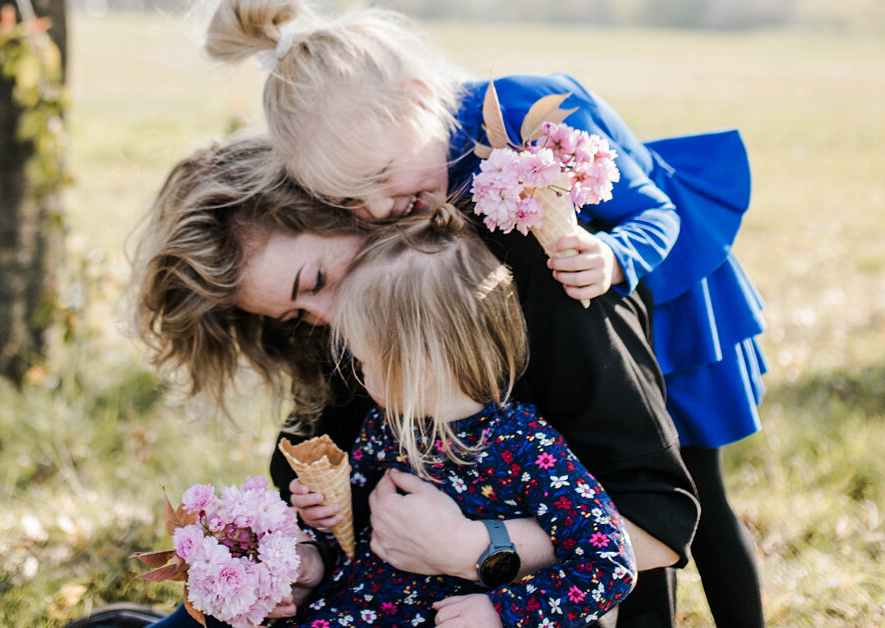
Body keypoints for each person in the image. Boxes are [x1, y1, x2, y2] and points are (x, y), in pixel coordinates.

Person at [204, 2, 766, 625]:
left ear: (418, 99)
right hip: (588, 318)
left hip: (670, 291)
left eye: (380, 178)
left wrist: (608, 255)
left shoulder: (529, 113)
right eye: (348, 199)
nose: (378, 209)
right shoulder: (406, 221)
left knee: (701, 496)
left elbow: (657, 214)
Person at [119, 137, 697, 628]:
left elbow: (658, 525)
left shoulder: (536, 269)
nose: (328, 318)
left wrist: (480, 548)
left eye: (317, 278)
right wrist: (302, 564)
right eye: (296, 315)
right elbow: (327, 516)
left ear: (356, 206)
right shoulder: (356, 360)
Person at [277, 205, 636, 627]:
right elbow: (355, 538)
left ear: (418, 366)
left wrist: (503, 613)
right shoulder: (385, 425)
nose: (360, 373)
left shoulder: (524, 446)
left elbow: (608, 563)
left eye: (364, 360)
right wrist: (320, 533)